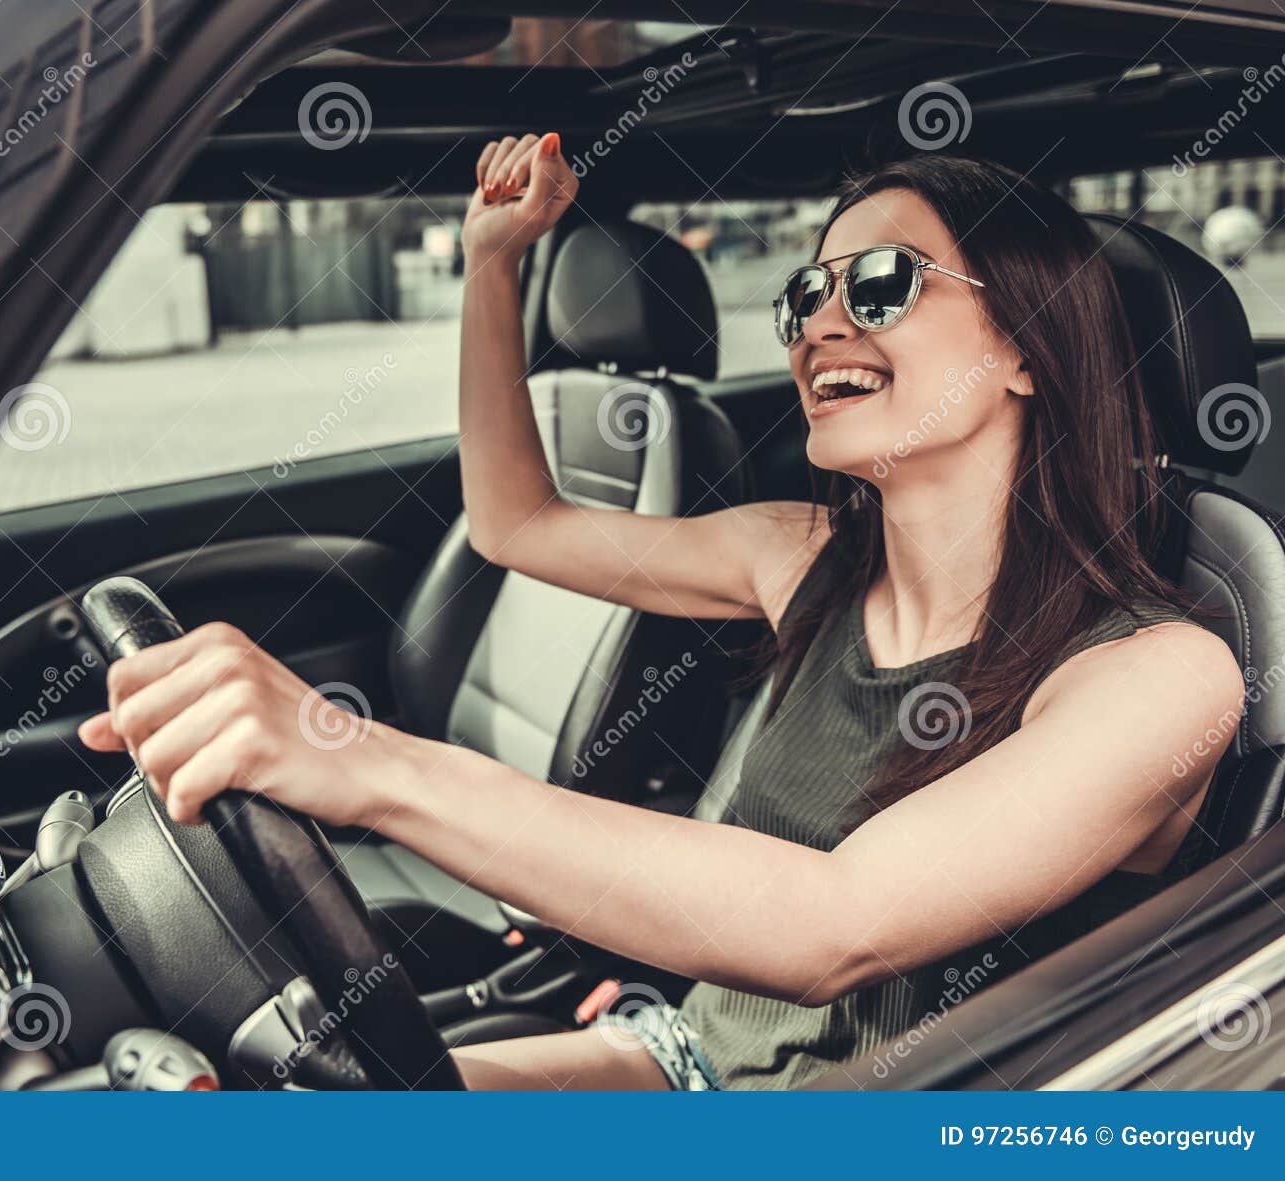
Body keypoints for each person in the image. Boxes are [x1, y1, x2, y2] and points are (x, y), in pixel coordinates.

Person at [79, 135, 1245, 1090]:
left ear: (1027, 348)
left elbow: (833, 924)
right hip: (673, 1057)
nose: (819, 324)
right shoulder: (799, 554)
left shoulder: (1159, 677)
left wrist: (358, 757)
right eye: (807, 292)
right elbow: (516, 525)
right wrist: (493, 267)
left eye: (881, 284)